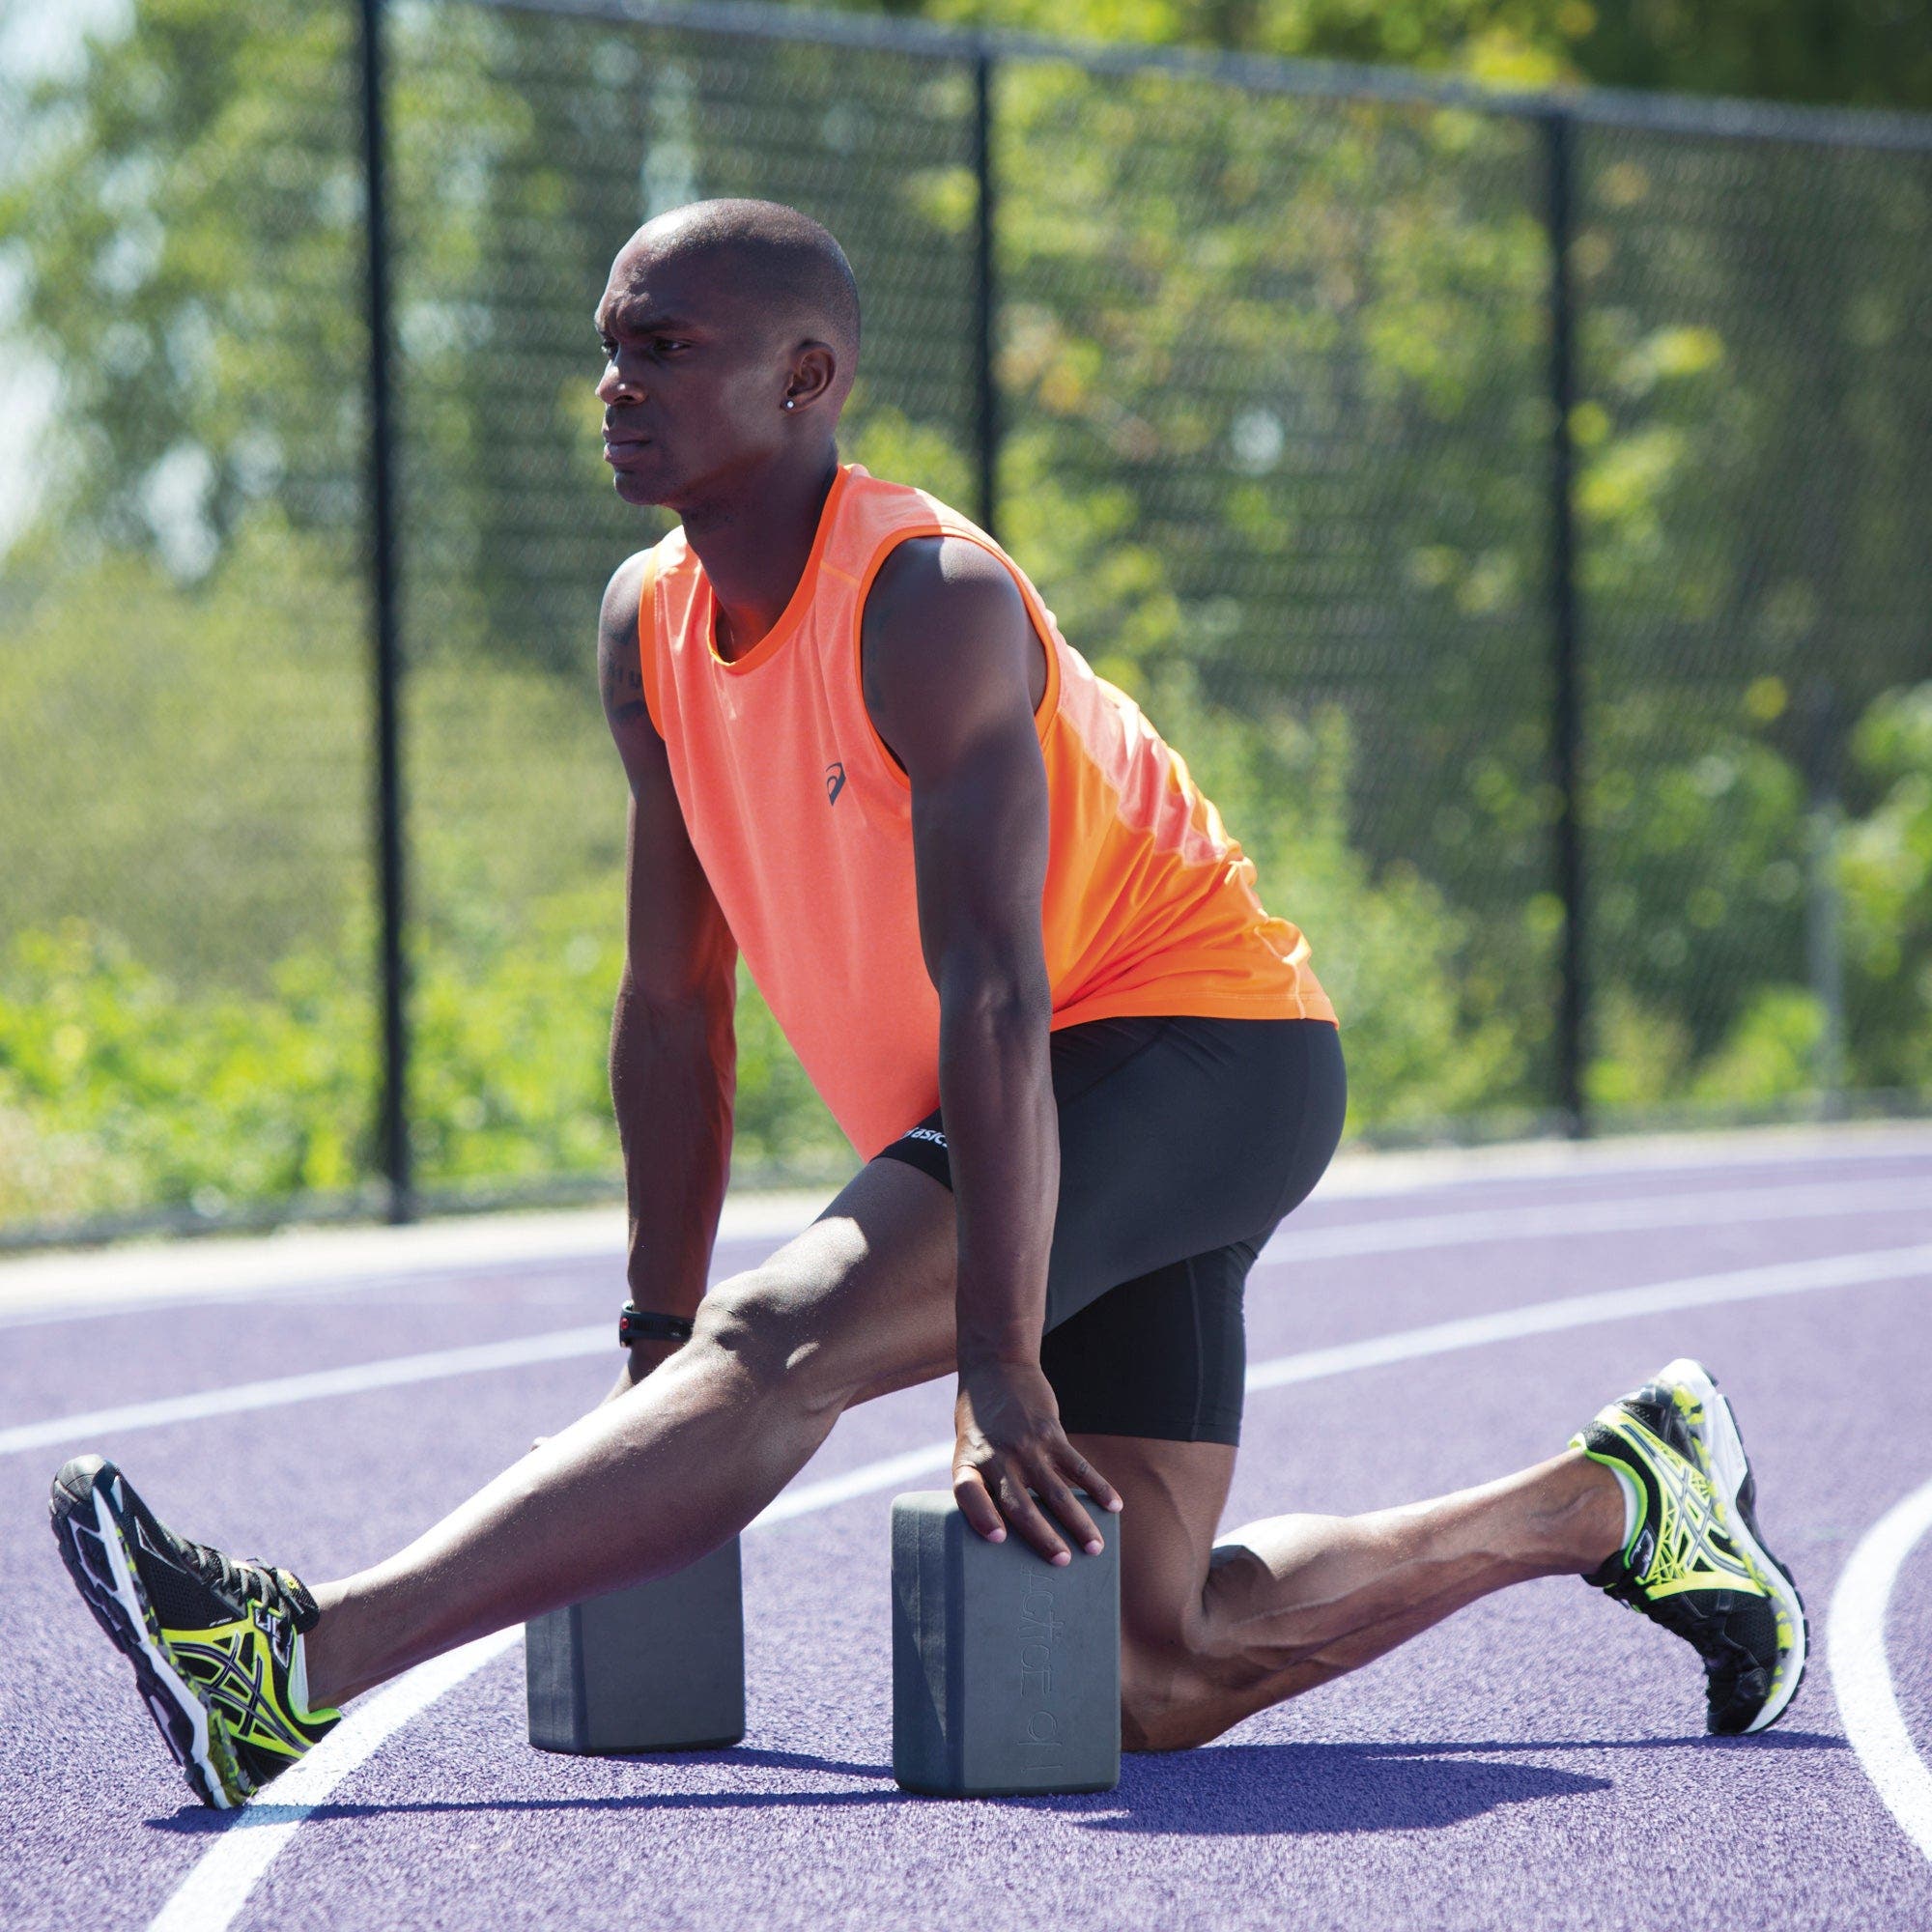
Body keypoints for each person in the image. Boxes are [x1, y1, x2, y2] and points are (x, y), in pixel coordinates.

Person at [48, 199, 1805, 1810]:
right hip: (1042, 1082)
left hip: (1193, 1050)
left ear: (807, 380)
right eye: (608, 343)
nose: (612, 383)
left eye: (662, 348)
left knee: (789, 1337)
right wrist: (648, 1340)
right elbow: (674, 1006)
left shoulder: (929, 600)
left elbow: (998, 986)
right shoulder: (646, 625)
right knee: (1149, 1666)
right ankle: (1616, 1497)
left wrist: (994, 1351)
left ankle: (295, 1663)